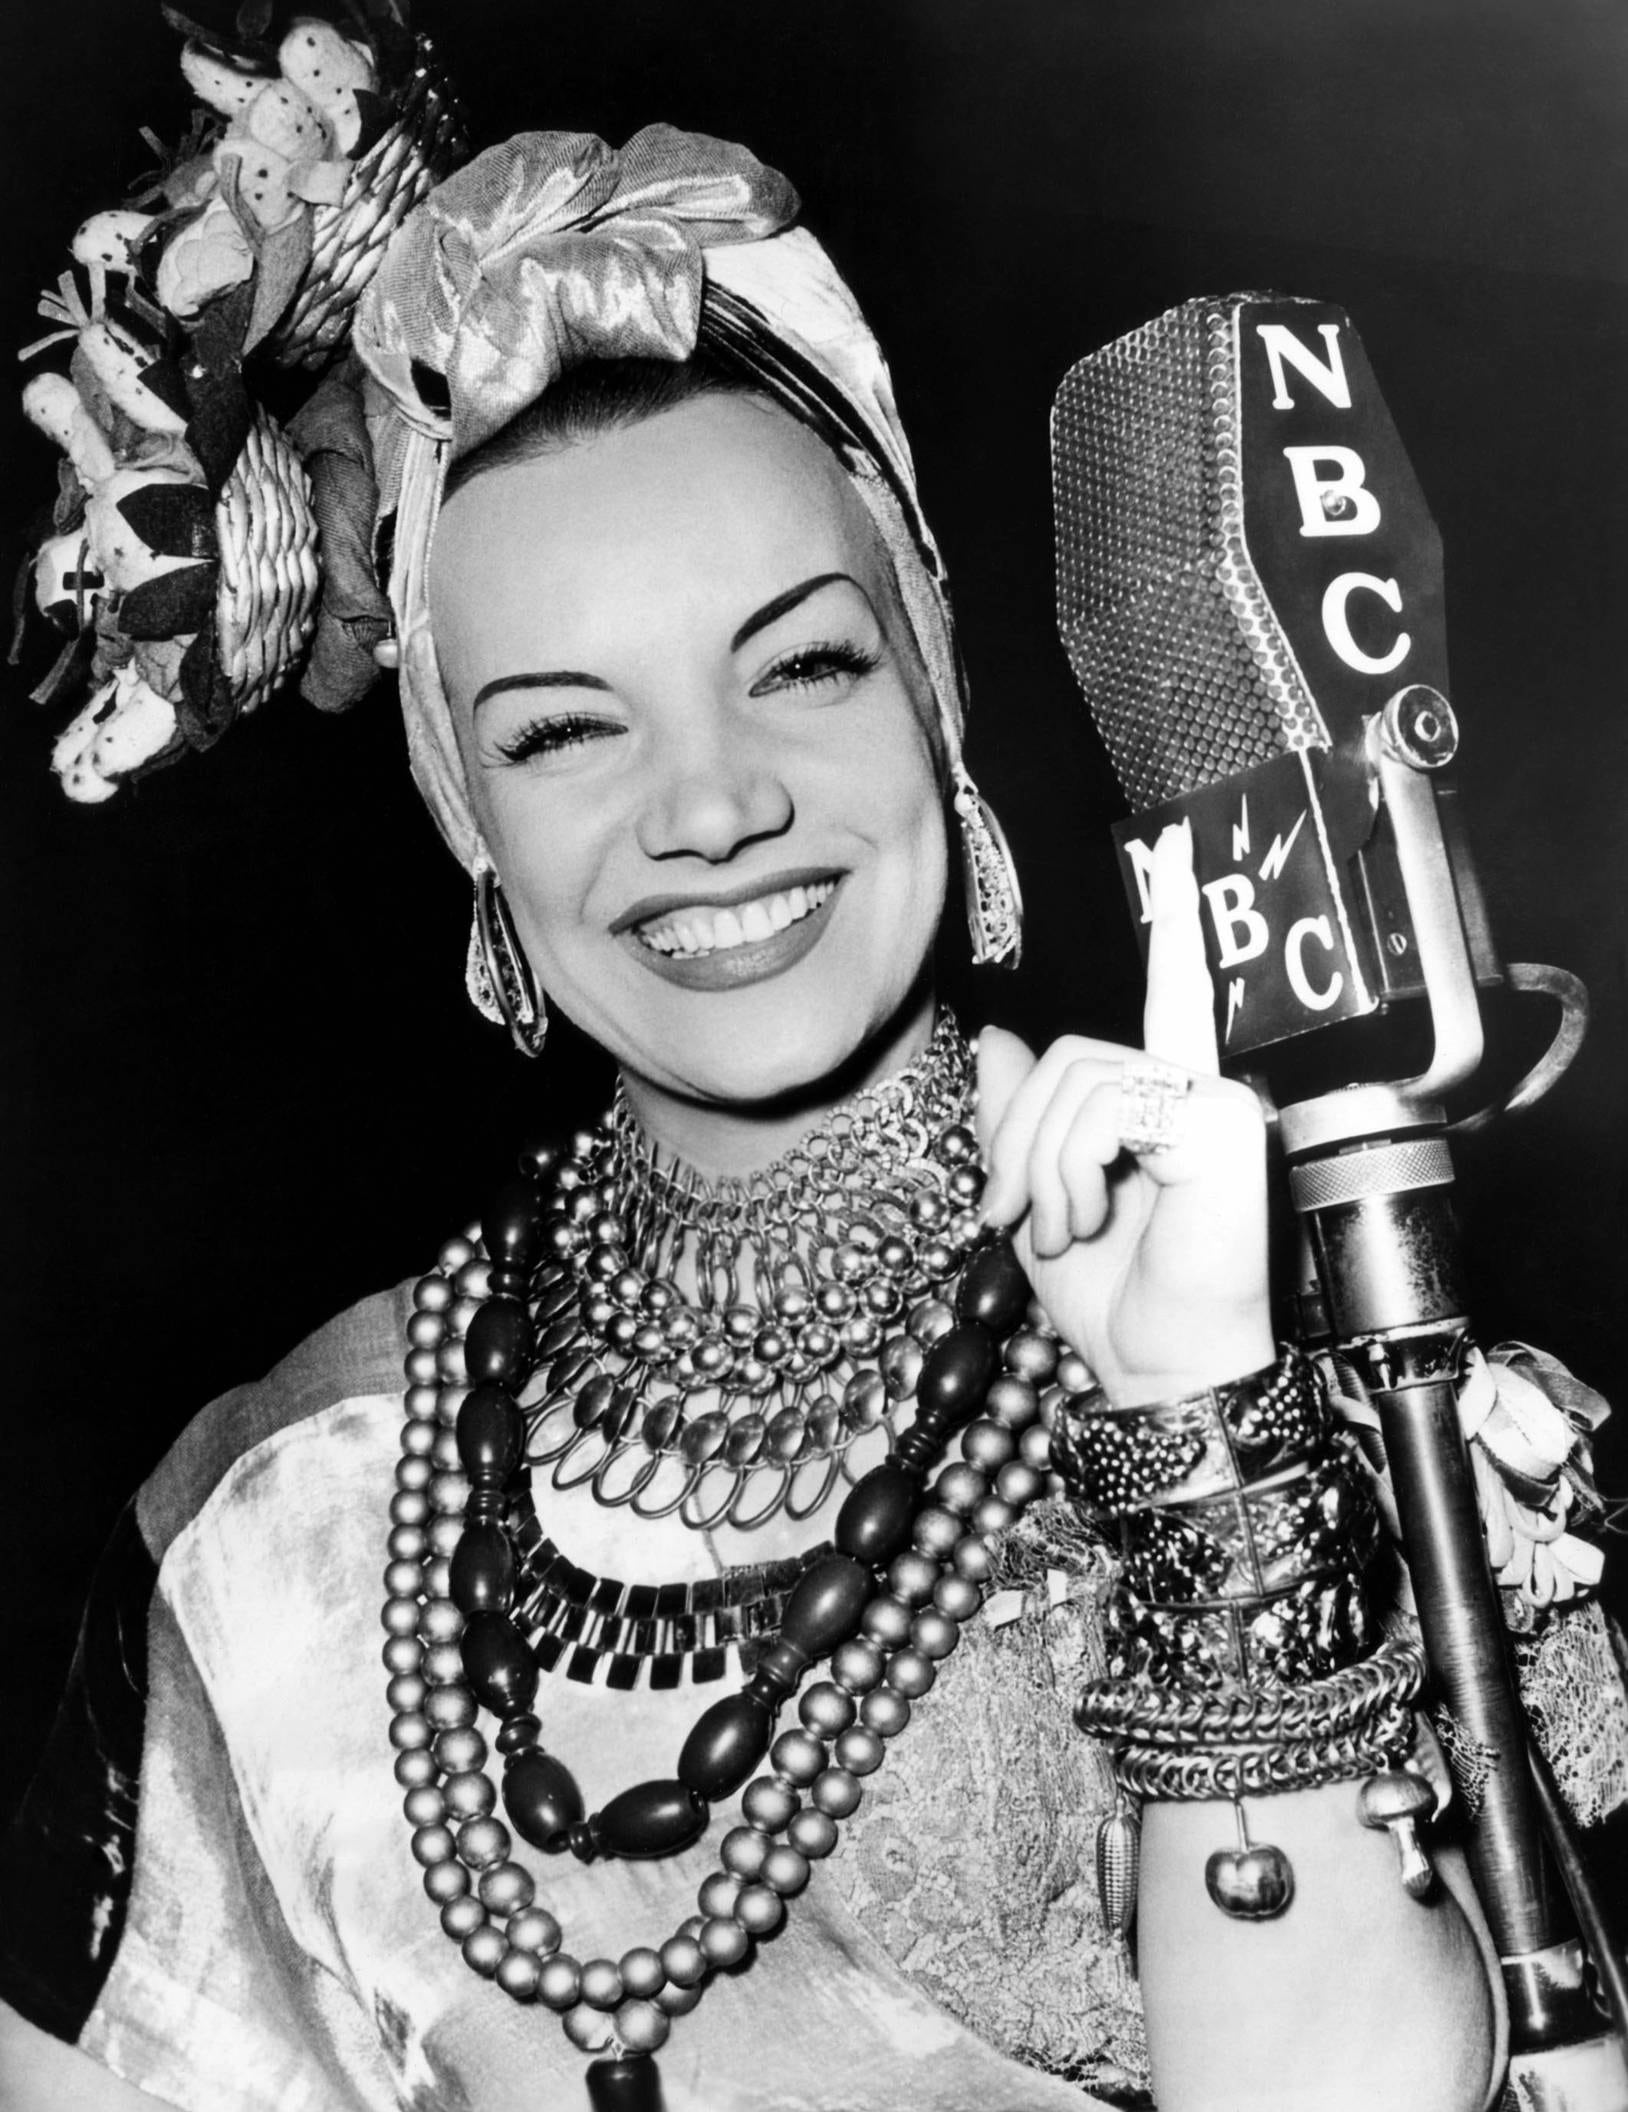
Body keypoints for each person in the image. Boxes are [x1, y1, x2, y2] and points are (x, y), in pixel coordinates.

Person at [0, 32, 1620, 2112]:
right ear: (469, 824)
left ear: (935, 696)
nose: (710, 806)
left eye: (805, 666)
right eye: (562, 730)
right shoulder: (289, 1516)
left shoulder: (1314, 1364)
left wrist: (1196, 1430)